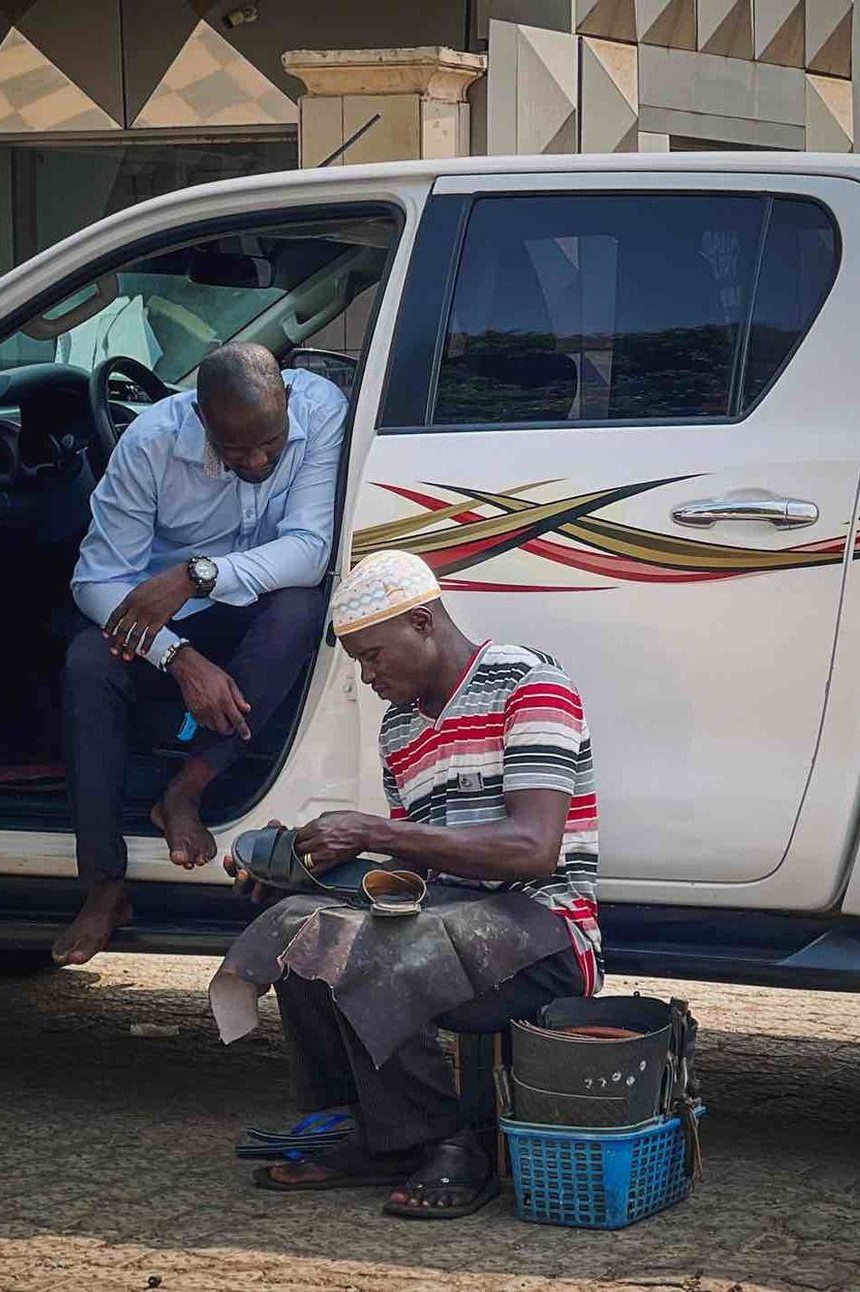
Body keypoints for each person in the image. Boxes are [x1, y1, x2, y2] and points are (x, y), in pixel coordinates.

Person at [213, 549, 601, 1220]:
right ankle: (371, 1129)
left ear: (422, 622)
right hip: (448, 920)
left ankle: (449, 1144)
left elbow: (534, 850)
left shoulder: (530, 684)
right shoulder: (401, 728)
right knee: (300, 925)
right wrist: (303, 863)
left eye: (372, 656)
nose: (367, 677)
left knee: (377, 948)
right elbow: (418, 876)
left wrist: (374, 831)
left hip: (548, 931)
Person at [52, 342, 344, 966]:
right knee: (88, 663)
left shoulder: (319, 410)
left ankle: (185, 791)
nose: (258, 460)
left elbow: (309, 550)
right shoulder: (151, 444)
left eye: (271, 443)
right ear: (200, 416)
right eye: (235, 449)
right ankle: (103, 885)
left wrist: (196, 575)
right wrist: (178, 658)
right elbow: (96, 581)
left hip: (245, 604)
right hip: (162, 622)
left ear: (287, 400)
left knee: (301, 608)